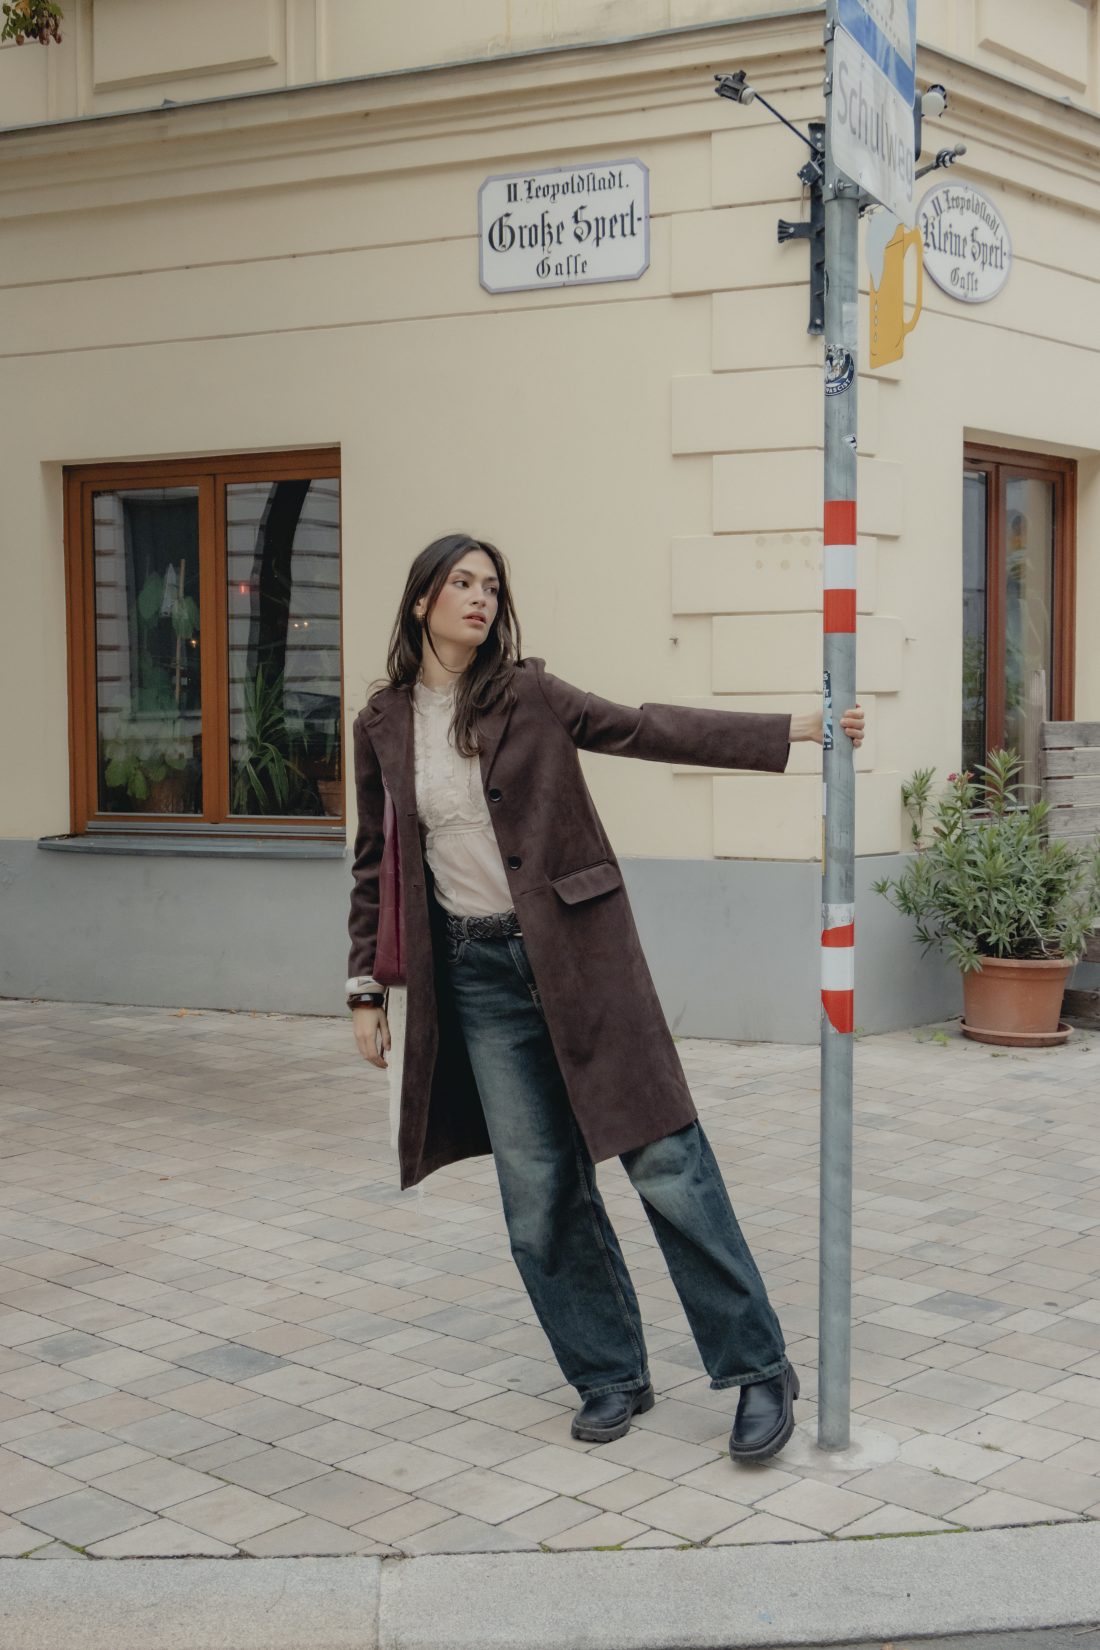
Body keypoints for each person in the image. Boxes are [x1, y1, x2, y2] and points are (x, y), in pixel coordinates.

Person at [348, 533, 864, 1464]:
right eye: (460, 583)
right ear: (422, 599)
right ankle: (609, 1373)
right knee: (539, 1192)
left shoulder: (529, 694)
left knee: (665, 1159)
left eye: (491, 586)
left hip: (581, 958)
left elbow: (640, 725)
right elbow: (374, 862)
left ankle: (756, 1369)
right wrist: (365, 989)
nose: (479, 598)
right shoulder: (381, 722)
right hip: (475, 978)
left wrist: (793, 729)